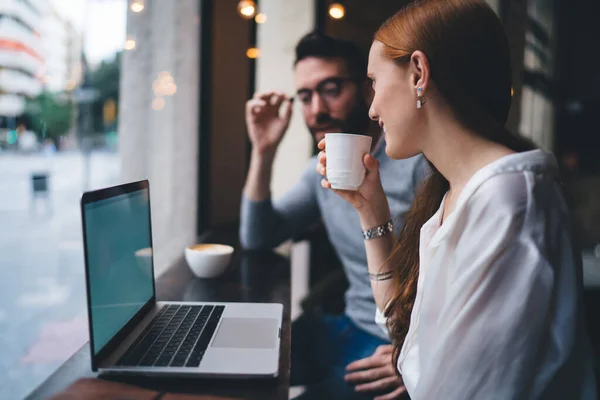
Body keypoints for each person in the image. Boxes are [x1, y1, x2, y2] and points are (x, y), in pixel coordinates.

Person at [316, 0, 597, 398]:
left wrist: (405, 366)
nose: (373, 108)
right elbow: (400, 323)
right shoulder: (457, 193)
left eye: (375, 83)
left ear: (418, 72)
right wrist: (369, 207)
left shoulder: (509, 201)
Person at [240, 33, 428, 399]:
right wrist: (262, 151)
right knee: (235, 367)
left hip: (389, 346)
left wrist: (421, 356)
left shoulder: (416, 164)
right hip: (342, 325)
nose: (316, 110)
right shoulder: (320, 170)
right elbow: (257, 236)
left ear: (366, 89)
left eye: (330, 89)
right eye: (306, 96)